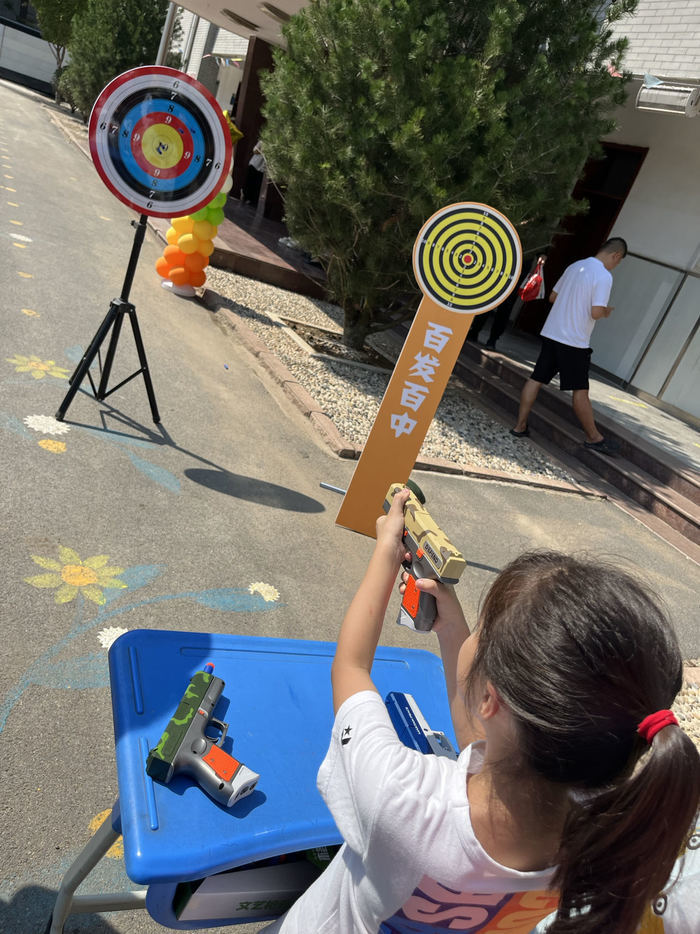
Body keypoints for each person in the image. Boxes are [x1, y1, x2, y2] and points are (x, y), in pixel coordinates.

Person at [262, 488, 700, 934]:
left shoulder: (400, 795)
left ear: (492, 699)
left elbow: (350, 668)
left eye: (485, 631)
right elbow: (489, 750)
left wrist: (385, 553)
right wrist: (456, 631)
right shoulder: (606, 829)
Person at [511, 237, 627, 455]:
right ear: (616, 255)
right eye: (618, 262)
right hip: (574, 341)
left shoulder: (575, 266)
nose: (615, 266)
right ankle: (594, 438)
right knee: (580, 390)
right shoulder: (603, 276)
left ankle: (519, 426)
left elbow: (553, 298)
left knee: (536, 379)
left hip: (552, 333)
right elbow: (595, 312)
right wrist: (606, 312)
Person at [466, 252, 548, 350]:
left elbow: (544, 244)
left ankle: (493, 339)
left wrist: (542, 255)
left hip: (521, 264)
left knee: (506, 304)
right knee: (490, 297)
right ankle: (475, 330)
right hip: (503, 259)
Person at [241, 139, 266, 206]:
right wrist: (263, 151)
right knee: (249, 182)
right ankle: (245, 197)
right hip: (254, 164)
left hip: (262, 168)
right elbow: (254, 150)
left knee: (257, 185)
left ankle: (252, 201)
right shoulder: (262, 142)